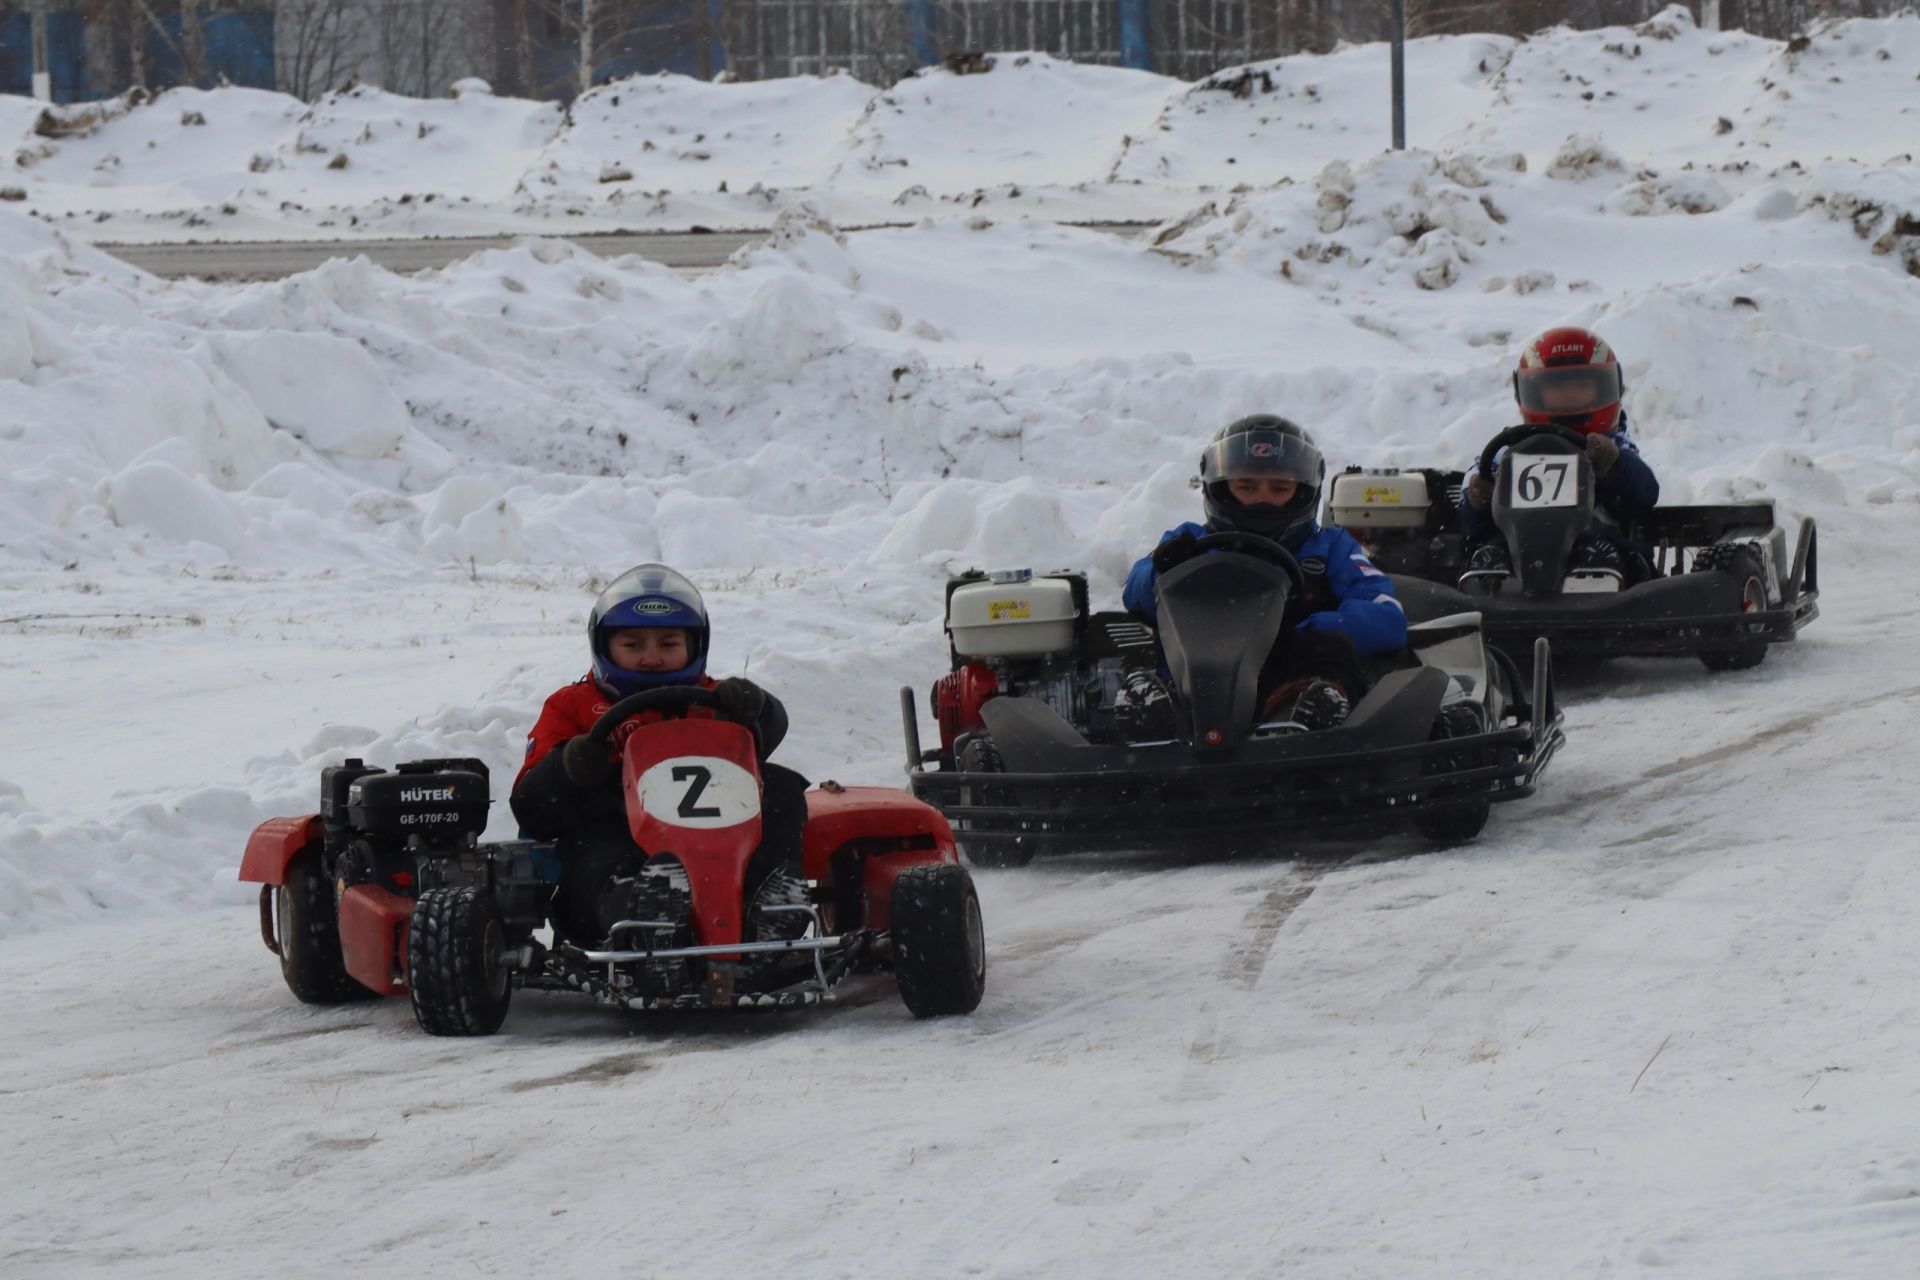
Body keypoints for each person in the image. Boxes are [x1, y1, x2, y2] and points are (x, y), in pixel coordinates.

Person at [510, 563, 806, 944]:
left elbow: (768, 731)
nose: (652, 658)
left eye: (668, 644)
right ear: (604, 646)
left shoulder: (717, 701)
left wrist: (756, 707)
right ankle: (640, 913)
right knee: (595, 839)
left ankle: (767, 903)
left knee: (780, 785)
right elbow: (531, 805)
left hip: (721, 840)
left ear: (695, 646)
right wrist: (569, 766)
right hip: (614, 836)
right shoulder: (573, 706)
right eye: (633, 645)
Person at [1122, 415, 1406, 731]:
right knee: (1177, 629)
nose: (1262, 499)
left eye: (1279, 488)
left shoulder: (1331, 547)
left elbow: (1386, 617)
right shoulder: (1191, 541)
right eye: (1246, 486)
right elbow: (1134, 595)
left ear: (1302, 491)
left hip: (1291, 678)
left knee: (1332, 646)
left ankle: (1306, 706)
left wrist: (1299, 629)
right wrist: (1162, 570)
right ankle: (1164, 712)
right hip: (1201, 678)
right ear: (1221, 489)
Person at [1459, 326, 1660, 585]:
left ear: (1605, 388)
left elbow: (1646, 493)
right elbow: (1466, 516)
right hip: (1518, 556)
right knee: (1489, 545)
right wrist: (1480, 495)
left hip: (1607, 553)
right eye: (1558, 389)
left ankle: (1596, 571)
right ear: (1532, 391)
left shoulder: (1614, 445)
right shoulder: (1509, 448)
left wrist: (1613, 463)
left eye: (1581, 386)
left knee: (1618, 546)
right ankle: (1493, 579)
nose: (1570, 396)